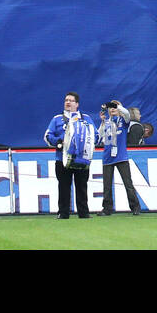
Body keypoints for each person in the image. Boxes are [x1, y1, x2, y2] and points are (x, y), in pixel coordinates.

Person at [43, 91, 95, 219]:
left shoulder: (86, 118)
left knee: (82, 186)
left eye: (71, 100)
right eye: (66, 100)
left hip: (82, 159)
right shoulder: (56, 119)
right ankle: (63, 213)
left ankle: (84, 213)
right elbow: (48, 136)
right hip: (62, 159)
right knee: (64, 186)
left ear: (77, 104)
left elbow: (95, 135)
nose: (67, 102)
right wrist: (59, 142)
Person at [97, 99, 142, 216]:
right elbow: (99, 136)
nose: (112, 109)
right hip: (107, 157)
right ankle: (107, 209)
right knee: (106, 186)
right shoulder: (106, 122)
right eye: (110, 107)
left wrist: (117, 106)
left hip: (121, 157)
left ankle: (135, 207)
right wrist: (102, 122)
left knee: (128, 184)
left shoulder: (124, 120)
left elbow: (127, 113)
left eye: (115, 107)